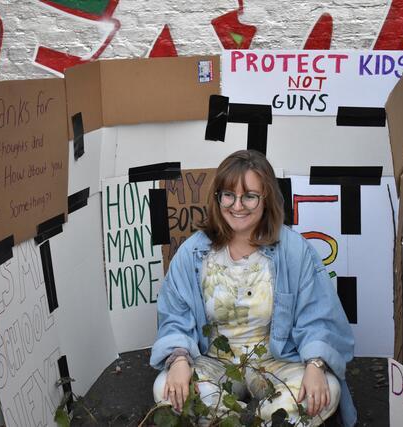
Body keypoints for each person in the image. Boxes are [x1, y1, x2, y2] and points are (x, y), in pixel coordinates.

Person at [150, 150, 356, 426]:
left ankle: (271, 418)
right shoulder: (194, 253)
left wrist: (316, 365)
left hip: (275, 360)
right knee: (166, 389)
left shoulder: (294, 250)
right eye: (228, 195)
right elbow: (174, 316)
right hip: (214, 363)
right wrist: (177, 362)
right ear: (217, 198)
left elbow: (318, 314)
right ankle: (226, 419)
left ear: (266, 198)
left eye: (249, 196)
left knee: (326, 390)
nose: (238, 205)